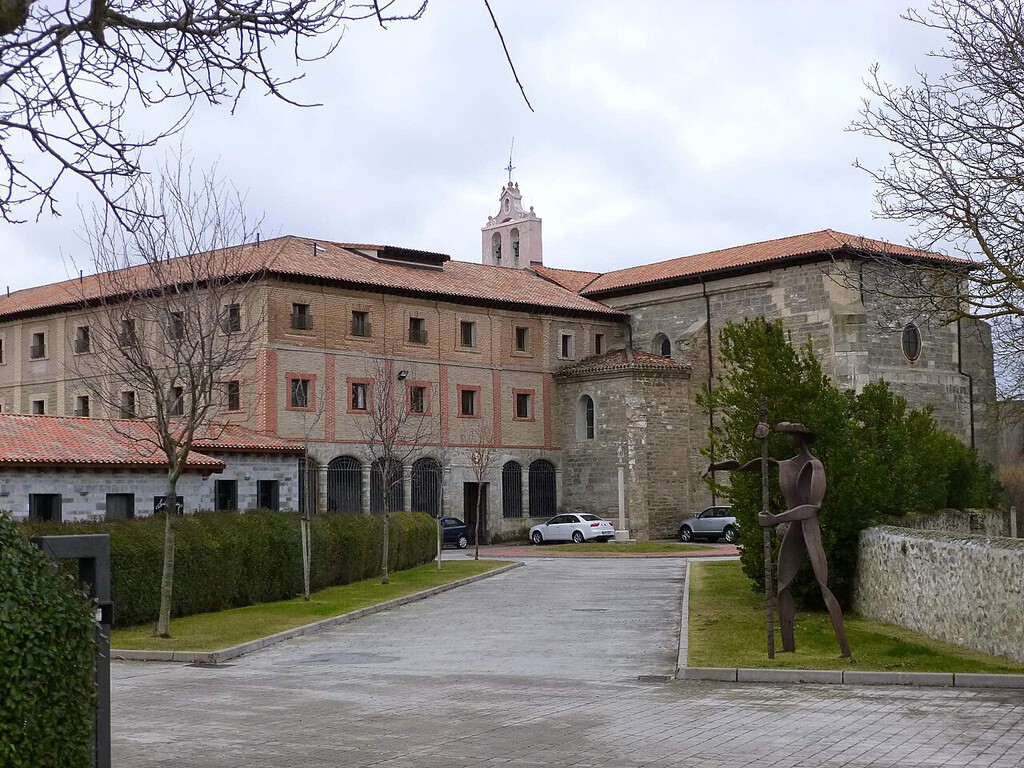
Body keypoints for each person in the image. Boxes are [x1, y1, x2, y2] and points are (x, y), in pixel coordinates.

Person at [703, 421, 851, 657]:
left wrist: (776, 519)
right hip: (793, 529)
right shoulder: (786, 465)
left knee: (823, 586)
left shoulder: (815, 466)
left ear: (800, 438)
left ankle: (844, 648)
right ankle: (788, 645)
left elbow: (812, 508)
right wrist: (715, 466)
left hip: (809, 529)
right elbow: (750, 466)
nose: (786, 440)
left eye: (790, 435)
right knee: (782, 588)